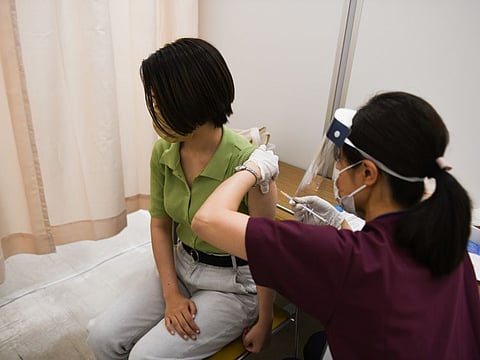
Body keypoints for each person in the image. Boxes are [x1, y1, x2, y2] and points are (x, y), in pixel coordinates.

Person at [192, 91, 480, 359]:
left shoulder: (347, 259)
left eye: (340, 162)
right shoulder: (447, 240)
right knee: (316, 343)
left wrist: (255, 167)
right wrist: (340, 222)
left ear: (367, 173)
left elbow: (207, 220)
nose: (337, 174)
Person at [87, 38, 277, 360]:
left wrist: (266, 318)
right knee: (101, 338)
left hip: (233, 285)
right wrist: (171, 292)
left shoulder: (250, 166)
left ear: (191, 102)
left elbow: (267, 252)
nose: (155, 111)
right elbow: (161, 226)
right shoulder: (164, 152)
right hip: (182, 266)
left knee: (145, 357)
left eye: (161, 102)